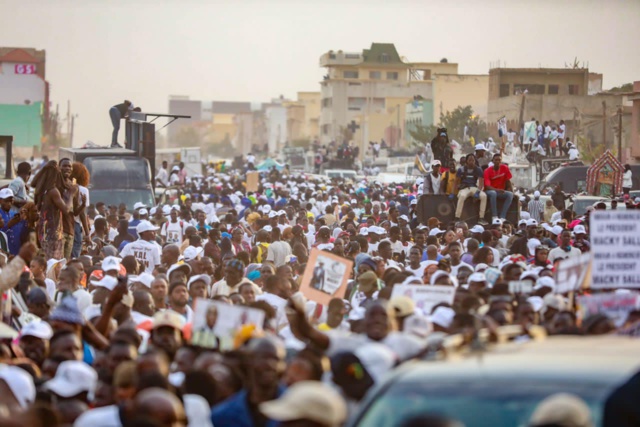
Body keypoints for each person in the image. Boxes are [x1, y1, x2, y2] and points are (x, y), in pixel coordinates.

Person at [32, 161, 71, 260]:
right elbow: (66, 210)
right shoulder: (53, 191)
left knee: (47, 261)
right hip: (53, 233)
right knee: (53, 263)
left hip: (44, 231)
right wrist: (71, 194)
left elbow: (33, 183)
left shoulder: (42, 190)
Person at [455, 154, 487, 223]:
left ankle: (481, 218)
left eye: (473, 160)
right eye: (470, 160)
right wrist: (453, 191)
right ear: (466, 161)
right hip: (464, 188)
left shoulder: (478, 169)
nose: (471, 162)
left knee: (484, 196)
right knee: (462, 196)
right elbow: (456, 181)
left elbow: (481, 183)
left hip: (474, 187)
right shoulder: (461, 169)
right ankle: (457, 217)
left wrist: (478, 192)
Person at [484, 153, 514, 220]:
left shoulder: (505, 168)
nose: (497, 161)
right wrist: (497, 190)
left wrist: (513, 192)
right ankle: (494, 216)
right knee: (493, 193)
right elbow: (487, 186)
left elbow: (508, 181)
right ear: (493, 161)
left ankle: (502, 217)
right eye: (496, 160)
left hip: (500, 191)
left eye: (499, 160)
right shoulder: (487, 171)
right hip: (489, 191)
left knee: (510, 194)